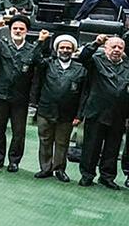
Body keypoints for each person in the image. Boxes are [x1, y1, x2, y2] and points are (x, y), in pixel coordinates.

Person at [0, 16, 41, 172]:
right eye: (15, 28)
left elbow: (39, 68)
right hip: (0, 95)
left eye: (21, 29)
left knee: (19, 132)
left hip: (20, 98)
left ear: (27, 31)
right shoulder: (1, 45)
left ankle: (14, 161)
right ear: (10, 30)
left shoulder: (32, 49)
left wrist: (42, 42)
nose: (18, 31)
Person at [76, 35, 129, 189]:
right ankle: (87, 175)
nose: (117, 50)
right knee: (91, 146)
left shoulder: (128, 66)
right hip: (96, 112)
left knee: (112, 148)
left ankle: (107, 177)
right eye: (113, 47)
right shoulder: (96, 61)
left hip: (119, 114)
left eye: (120, 47)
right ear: (106, 49)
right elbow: (83, 57)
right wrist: (95, 43)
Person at [32, 33, 82, 181]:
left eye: (68, 48)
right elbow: (35, 59)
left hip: (67, 114)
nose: (65, 50)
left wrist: (79, 115)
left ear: (73, 50)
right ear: (57, 49)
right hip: (46, 110)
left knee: (62, 142)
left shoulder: (81, 69)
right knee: (45, 140)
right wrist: (41, 41)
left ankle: (59, 169)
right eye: (62, 47)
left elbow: (83, 94)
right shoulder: (47, 64)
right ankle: (45, 168)